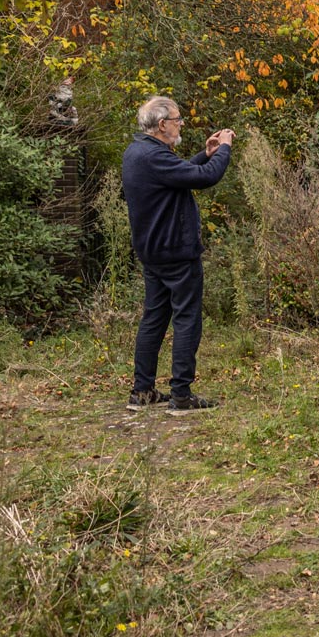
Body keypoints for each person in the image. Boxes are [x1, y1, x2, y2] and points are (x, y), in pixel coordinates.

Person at [121, 96, 233, 412]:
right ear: (162, 125)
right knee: (186, 319)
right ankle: (181, 396)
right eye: (178, 119)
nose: (181, 124)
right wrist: (224, 149)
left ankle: (142, 393)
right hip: (175, 252)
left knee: (154, 318)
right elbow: (205, 178)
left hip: (152, 252)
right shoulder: (154, 156)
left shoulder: (137, 152)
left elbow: (179, 173)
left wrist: (205, 154)